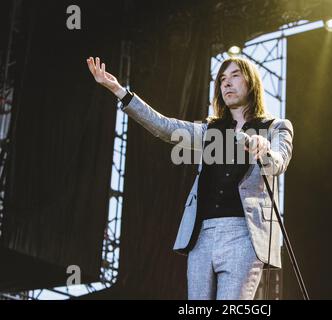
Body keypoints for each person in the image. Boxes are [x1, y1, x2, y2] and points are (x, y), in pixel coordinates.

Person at [86, 56, 294, 300]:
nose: (226, 83)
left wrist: (264, 149)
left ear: (251, 82)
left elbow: (280, 161)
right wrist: (120, 91)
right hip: (202, 235)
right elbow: (165, 127)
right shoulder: (210, 130)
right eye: (222, 79)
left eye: (235, 75)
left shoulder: (275, 127)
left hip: (243, 235)